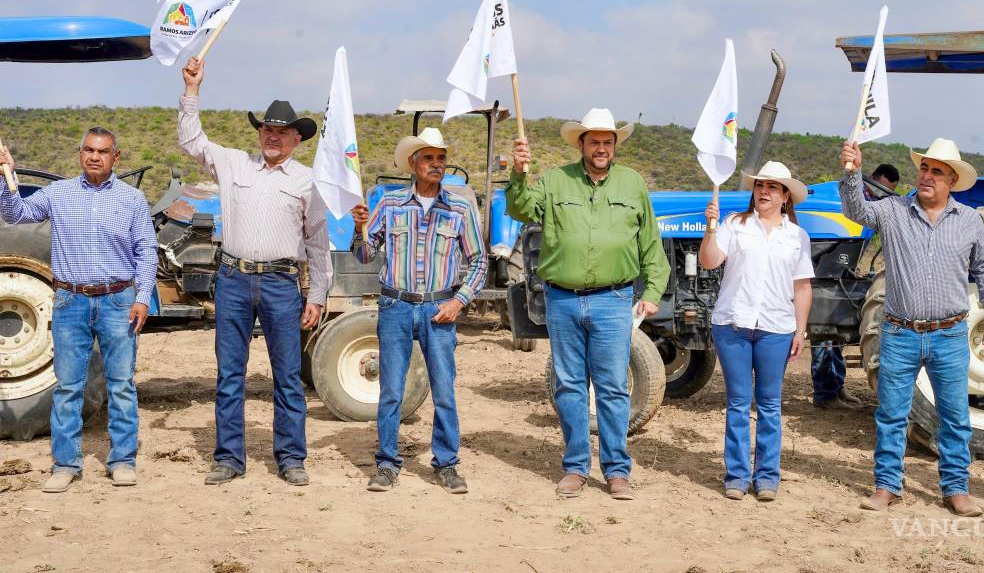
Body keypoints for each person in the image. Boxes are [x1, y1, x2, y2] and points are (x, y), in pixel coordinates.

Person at [179, 57, 331, 487]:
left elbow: (318, 246)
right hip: (233, 279)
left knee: (286, 375)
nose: (273, 137)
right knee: (230, 373)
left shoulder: (307, 182)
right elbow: (191, 140)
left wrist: (317, 296)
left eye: (282, 132)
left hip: (282, 284)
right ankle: (229, 458)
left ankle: (291, 458)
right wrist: (192, 90)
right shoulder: (232, 164)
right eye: (267, 129)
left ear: (296, 139)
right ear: (259, 132)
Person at [506, 108, 670, 500]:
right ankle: (576, 467)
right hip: (562, 299)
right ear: (581, 144)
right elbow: (520, 208)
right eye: (594, 141)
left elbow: (650, 242)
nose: (601, 147)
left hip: (614, 300)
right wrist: (518, 173)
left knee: (613, 388)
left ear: (615, 146)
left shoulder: (632, 185)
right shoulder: (555, 181)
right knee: (569, 386)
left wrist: (652, 292)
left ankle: (616, 471)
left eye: (607, 141)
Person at [840, 137, 984, 517]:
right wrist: (851, 173)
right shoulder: (893, 210)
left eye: (936, 172)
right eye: (924, 168)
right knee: (892, 414)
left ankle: (956, 488)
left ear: (952, 181)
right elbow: (856, 210)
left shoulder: (970, 221)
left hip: (949, 334)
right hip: (899, 331)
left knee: (955, 416)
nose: (926, 176)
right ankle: (886, 485)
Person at [0, 128, 156, 492]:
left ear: (116, 156)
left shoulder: (132, 200)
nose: (94, 156)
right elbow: (17, 214)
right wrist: (7, 175)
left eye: (102, 151)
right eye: (88, 149)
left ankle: (122, 461)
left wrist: (143, 296)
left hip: (118, 301)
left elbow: (147, 250)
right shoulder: (58, 193)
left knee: (121, 385)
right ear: (80, 153)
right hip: (70, 302)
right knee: (68, 387)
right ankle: (66, 465)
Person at [349, 128, 486, 494]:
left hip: (438, 309)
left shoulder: (459, 209)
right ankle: (387, 463)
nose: (436, 165)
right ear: (413, 163)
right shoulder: (391, 205)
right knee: (391, 389)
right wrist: (358, 226)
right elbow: (364, 254)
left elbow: (478, 262)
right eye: (429, 158)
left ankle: (446, 464)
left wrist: (459, 301)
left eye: (441, 159)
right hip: (395, 306)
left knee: (444, 390)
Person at [700, 161, 813, 501]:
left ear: (785, 197)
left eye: (773, 187)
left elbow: (803, 287)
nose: (764, 191)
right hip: (733, 325)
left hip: (775, 329)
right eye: (760, 185)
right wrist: (709, 229)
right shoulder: (735, 225)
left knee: (769, 403)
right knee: (736, 402)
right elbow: (709, 261)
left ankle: (766, 477)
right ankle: (736, 475)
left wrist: (800, 331)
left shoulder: (797, 236)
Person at [811, 163, 902, 410]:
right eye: (876, 192)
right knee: (825, 327)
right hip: (822, 270)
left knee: (833, 332)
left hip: (836, 269)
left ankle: (836, 387)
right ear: (871, 180)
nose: (875, 199)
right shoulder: (845, 197)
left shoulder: (870, 205)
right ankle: (826, 393)